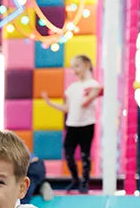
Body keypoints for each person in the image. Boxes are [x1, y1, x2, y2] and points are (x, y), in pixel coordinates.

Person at [41, 54, 102, 193]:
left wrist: (93, 95)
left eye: (76, 66)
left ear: (87, 65)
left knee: (85, 154)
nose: (74, 70)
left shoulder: (93, 85)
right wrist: (50, 103)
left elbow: (85, 103)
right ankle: (75, 179)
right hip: (72, 124)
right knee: (68, 153)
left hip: (87, 124)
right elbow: (67, 108)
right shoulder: (73, 87)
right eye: (72, 66)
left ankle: (85, 183)